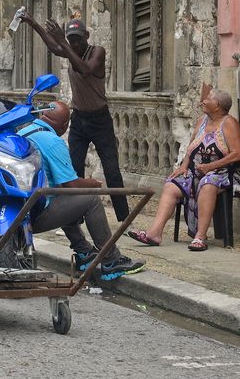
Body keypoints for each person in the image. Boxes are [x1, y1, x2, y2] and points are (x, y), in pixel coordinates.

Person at [18, 100, 145, 280]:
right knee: (90, 200)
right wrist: (92, 184)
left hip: (22, 207)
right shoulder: (52, 141)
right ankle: (111, 260)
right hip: (36, 213)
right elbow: (71, 184)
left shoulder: (24, 131)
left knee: (63, 197)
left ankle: (84, 252)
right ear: (65, 125)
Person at [22, 13, 129, 222]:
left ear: (87, 36)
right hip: (79, 119)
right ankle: (75, 216)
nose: (74, 44)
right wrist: (34, 23)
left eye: (78, 39)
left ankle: (124, 217)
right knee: (73, 168)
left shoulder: (97, 52)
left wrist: (63, 41)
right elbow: (54, 47)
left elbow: (86, 69)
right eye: (71, 40)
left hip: (100, 120)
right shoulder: (70, 50)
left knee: (112, 170)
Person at [127, 88, 240, 251]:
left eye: (208, 99)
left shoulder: (229, 123)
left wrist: (211, 166)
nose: (203, 101)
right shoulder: (202, 120)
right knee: (171, 185)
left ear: (217, 105)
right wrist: (183, 166)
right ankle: (154, 234)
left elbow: (238, 154)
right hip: (196, 170)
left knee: (207, 184)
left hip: (222, 173)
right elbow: (191, 146)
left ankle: (200, 237)